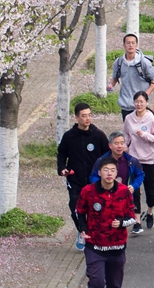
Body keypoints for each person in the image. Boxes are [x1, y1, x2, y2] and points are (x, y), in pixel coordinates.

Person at [76, 155, 137, 288]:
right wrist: (83, 228)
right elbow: (79, 211)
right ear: (99, 172)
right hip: (95, 245)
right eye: (105, 170)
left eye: (112, 170)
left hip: (117, 247)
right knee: (96, 282)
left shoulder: (124, 191)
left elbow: (132, 217)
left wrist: (121, 223)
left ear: (116, 173)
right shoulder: (88, 191)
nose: (109, 173)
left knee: (114, 284)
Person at [58, 102, 111, 251]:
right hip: (75, 180)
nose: (87, 118)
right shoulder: (69, 137)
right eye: (83, 116)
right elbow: (61, 154)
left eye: (89, 115)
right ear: (76, 118)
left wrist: (106, 173)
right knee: (75, 207)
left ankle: (99, 236)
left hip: (95, 181)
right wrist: (62, 168)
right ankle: (83, 231)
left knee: (97, 209)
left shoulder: (98, 135)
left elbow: (107, 156)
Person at [123, 92, 154, 231]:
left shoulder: (151, 119)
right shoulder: (129, 118)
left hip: (149, 158)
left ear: (146, 102)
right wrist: (125, 148)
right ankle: (137, 221)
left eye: (141, 102)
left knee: (149, 188)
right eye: (136, 102)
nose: (139, 104)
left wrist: (145, 135)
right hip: (134, 159)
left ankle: (150, 211)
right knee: (134, 189)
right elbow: (126, 136)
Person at [108, 33, 154, 119]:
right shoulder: (119, 62)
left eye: (133, 43)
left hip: (140, 105)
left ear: (137, 45)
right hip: (125, 105)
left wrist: (145, 95)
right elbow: (115, 77)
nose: (130, 45)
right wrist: (110, 85)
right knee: (128, 130)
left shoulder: (144, 62)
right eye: (128, 43)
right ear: (124, 45)